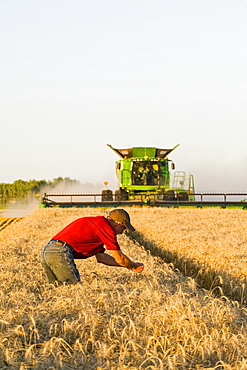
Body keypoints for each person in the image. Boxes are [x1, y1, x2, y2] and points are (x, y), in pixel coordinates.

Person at [40, 208, 144, 285]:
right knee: (73, 291)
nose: (122, 232)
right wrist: (134, 265)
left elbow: (102, 258)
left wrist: (128, 266)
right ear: (118, 223)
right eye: (124, 228)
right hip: (59, 252)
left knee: (57, 290)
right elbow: (120, 258)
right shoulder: (105, 227)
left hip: (48, 251)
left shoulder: (98, 224)